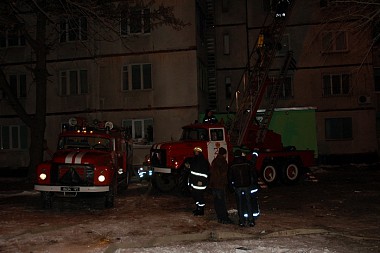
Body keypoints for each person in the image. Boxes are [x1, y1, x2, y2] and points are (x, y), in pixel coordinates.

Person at [228, 149, 260, 227]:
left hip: (238, 187)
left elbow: (229, 177)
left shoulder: (232, 165)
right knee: (249, 203)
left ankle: (242, 221)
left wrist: (231, 187)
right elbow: (252, 173)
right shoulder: (247, 163)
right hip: (247, 186)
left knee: (240, 204)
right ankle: (251, 221)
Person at [209, 147, 233, 224]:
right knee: (222, 202)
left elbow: (212, 173)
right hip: (220, 185)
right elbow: (224, 174)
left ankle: (219, 217)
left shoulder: (214, 161)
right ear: (224, 154)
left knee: (217, 202)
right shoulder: (223, 162)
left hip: (214, 185)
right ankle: (224, 218)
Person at [188, 146, 210, 216]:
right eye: (195, 152)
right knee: (196, 196)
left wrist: (201, 181)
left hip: (200, 183)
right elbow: (192, 171)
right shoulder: (195, 160)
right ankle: (198, 208)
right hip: (194, 182)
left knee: (200, 196)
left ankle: (201, 210)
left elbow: (205, 172)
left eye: (196, 152)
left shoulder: (203, 161)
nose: (195, 153)